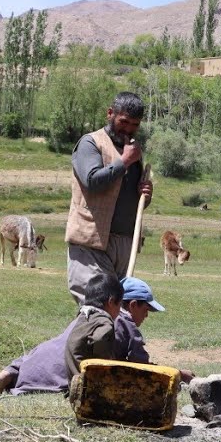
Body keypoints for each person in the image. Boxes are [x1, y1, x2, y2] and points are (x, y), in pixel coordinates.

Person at [0, 274, 189, 395]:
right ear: (132, 304)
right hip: (59, 378)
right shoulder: (125, 323)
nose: (147, 316)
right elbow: (142, 368)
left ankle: (12, 371)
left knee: (54, 347)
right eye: (146, 309)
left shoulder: (85, 315)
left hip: (33, 365)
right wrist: (179, 374)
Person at [65, 92, 154, 306]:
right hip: (91, 242)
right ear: (110, 114)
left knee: (116, 310)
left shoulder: (132, 152)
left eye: (135, 124)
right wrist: (124, 161)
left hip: (123, 244)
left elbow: (127, 198)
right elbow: (92, 180)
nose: (129, 129)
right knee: (96, 307)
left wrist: (144, 193)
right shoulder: (90, 143)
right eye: (124, 121)